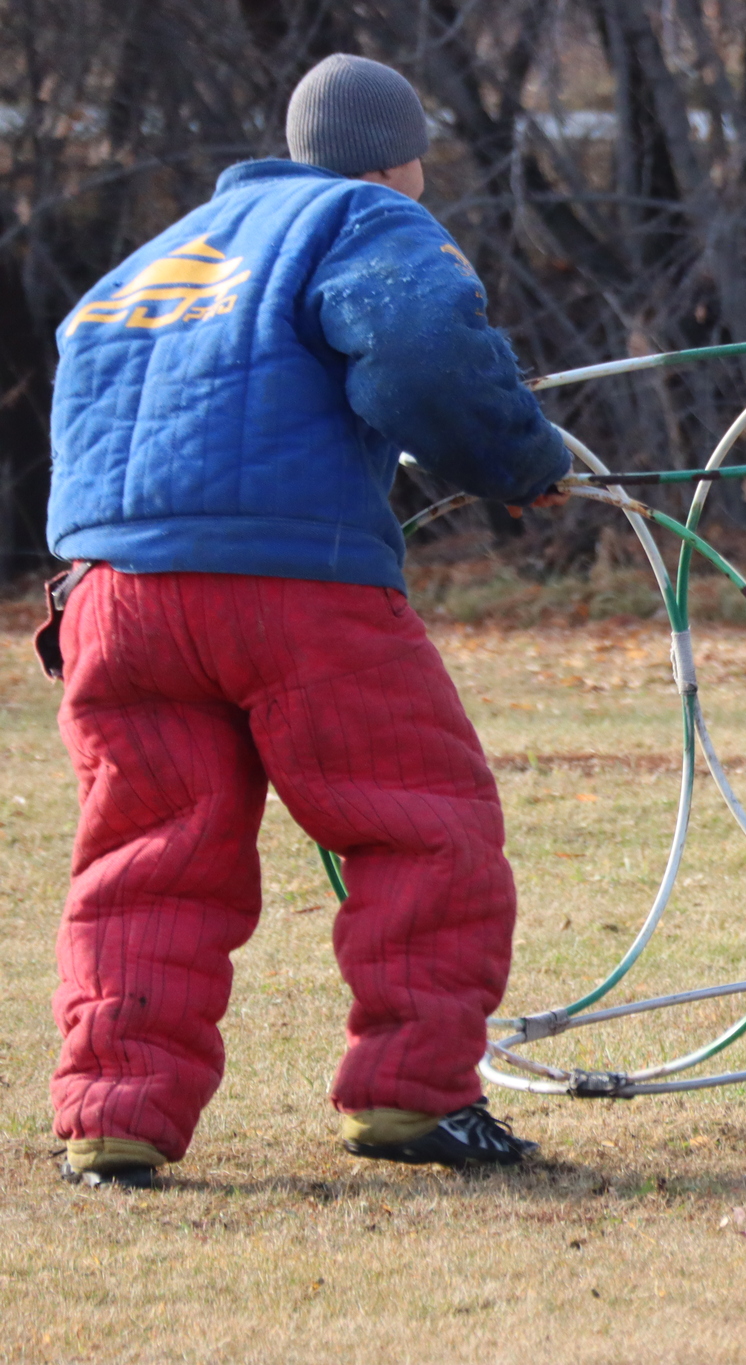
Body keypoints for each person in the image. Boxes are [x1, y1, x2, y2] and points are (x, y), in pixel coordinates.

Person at [40, 53, 570, 1187]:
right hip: (295, 590)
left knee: (149, 857)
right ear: (401, 154)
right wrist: (519, 462)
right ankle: (414, 1100)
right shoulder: (367, 215)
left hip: (111, 595)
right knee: (421, 825)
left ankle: (115, 1116)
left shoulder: (159, 255)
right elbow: (420, 345)